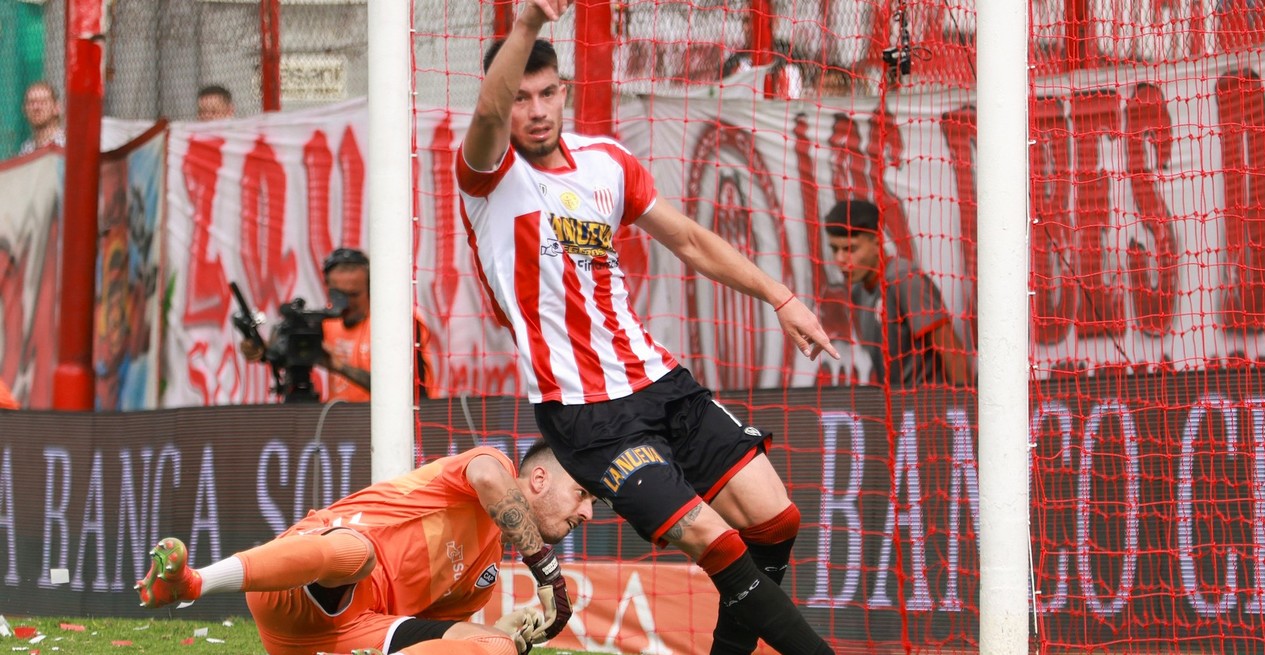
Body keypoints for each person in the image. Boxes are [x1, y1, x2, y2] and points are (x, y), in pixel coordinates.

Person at [456, 2, 838, 653]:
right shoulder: (489, 175)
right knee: (715, 540)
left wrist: (781, 296)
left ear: (565, 91)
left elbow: (687, 239)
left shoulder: (605, 163)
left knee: (776, 518)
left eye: (548, 93)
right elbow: (489, 118)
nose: (537, 109)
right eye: (521, 97)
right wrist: (527, 26)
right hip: (584, 413)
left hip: (657, 380)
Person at [135, 440, 593, 655]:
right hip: (299, 587)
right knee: (358, 555)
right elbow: (490, 481)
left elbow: (427, 634)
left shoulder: (485, 572)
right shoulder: (493, 465)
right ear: (538, 479)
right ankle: (192, 583)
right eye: (583, 495)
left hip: (349, 637)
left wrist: (506, 630)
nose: (588, 514)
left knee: (494, 649)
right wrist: (547, 573)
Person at [241, 247, 438, 402]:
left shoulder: (398, 322)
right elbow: (285, 352)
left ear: (371, 288)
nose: (346, 303)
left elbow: (408, 394)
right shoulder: (326, 322)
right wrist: (260, 349)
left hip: (392, 429)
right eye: (339, 295)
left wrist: (339, 366)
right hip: (342, 429)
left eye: (354, 295)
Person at [823, 198, 970, 387]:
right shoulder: (858, 290)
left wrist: (967, 412)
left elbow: (951, 351)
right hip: (898, 406)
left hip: (928, 407)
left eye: (850, 249)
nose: (840, 259)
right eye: (834, 249)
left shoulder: (905, 279)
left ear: (877, 242)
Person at [18, 81, 65, 154]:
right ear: (24, 109)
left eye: (43, 102)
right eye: (31, 102)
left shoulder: (66, 143)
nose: (36, 107)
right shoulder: (26, 149)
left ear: (57, 108)